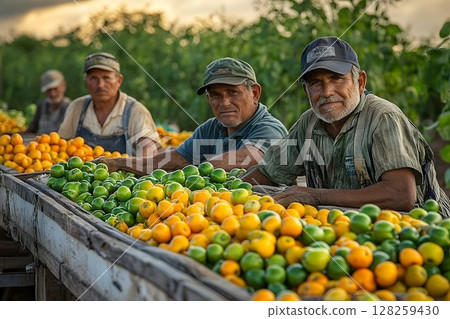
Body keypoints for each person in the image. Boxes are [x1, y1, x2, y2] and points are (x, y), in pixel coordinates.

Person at [243, 36, 450, 216]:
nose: (326, 92)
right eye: (316, 83)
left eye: (336, 79)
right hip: (349, 231)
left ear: (360, 82)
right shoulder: (309, 123)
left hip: (419, 231)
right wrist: (222, 192)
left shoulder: (383, 117)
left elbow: (401, 194)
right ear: (306, 91)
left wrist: (315, 196)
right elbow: (267, 174)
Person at [99, 57, 288, 174]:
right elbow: (175, 159)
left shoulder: (269, 128)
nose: (225, 103)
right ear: (208, 99)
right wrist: (117, 163)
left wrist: (187, 174)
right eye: (216, 95)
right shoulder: (211, 128)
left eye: (233, 92)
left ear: (254, 93)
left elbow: (245, 158)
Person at [58, 52, 159, 156]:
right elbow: (60, 148)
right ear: (86, 82)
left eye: (106, 78)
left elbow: (149, 158)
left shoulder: (136, 111)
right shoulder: (77, 107)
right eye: (93, 78)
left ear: (119, 81)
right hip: (81, 172)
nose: (100, 85)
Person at [26, 70, 71, 134]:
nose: (52, 93)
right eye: (48, 90)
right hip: (40, 142)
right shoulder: (41, 106)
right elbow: (33, 128)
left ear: (63, 86)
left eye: (55, 88)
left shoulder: (70, 107)